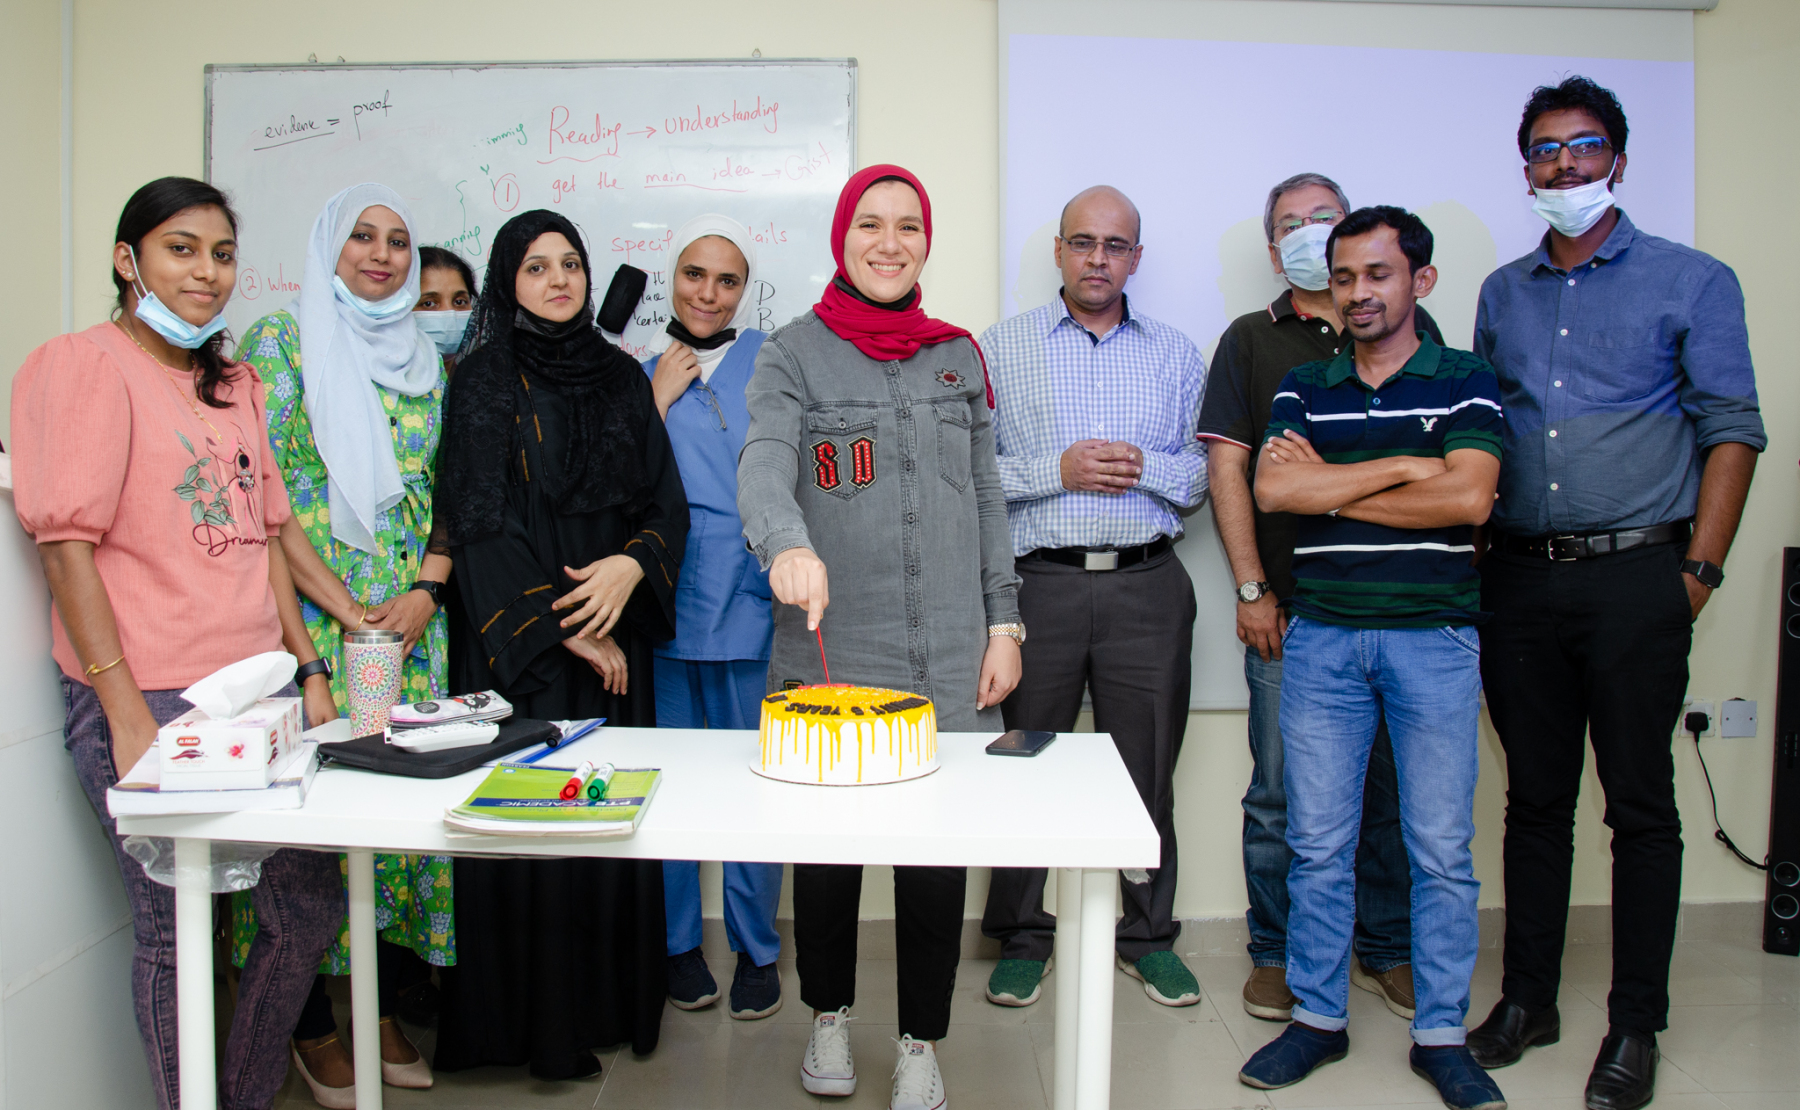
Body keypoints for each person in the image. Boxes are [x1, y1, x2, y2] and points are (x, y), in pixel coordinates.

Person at [10, 176, 343, 1110]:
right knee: (178, 932)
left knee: (306, 908)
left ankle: (238, 1095)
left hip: (261, 698)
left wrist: (310, 667)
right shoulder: (81, 366)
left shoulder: (234, 385)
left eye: (222, 254)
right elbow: (65, 549)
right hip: (153, 699)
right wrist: (123, 712)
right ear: (129, 260)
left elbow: (266, 539)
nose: (206, 272)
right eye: (181, 249)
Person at [1467, 77, 1763, 1110]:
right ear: (1527, 170)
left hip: (1641, 577)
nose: (1564, 165)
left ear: (1619, 161)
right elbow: (1486, 431)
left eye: (1584, 146)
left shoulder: (1694, 280)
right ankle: (1528, 1002)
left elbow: (1733, 429)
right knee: (1535, 802)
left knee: (1640, 806)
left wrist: (1698, 573)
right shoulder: (1502, 293)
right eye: (1545, 150)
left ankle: (1635, 1023)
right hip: (1519, 578)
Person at [737, 164, 1022, 1110]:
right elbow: (765, 462)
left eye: (908, 226)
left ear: (926, 241)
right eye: (870, 224)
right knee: (827, 857)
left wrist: (1004, 622)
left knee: (935, 862)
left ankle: (920, 1041)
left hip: (949, 652)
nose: (889, 243)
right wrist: (785, 543)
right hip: (832, 650)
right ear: (841, 236)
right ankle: (828, 1015)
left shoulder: (957, 356)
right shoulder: (791, 354)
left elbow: (986, 495)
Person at [1236, 207, 1508, 1110]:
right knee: (1318, 845)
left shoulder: (1464, 377)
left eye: (1378, 275)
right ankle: (1318, 1019)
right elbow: (1274, 488)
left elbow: (1469, 502)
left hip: (1435, 640)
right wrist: (1407, 468)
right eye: (1345, 276)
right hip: (1322, 641)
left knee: (1439, 850)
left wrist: (1333, 489)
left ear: (1420, 281)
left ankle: (1441, 1036)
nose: (1358, 292)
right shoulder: (1306, 384)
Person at [432, 208, 686, 1079]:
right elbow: (476, 523)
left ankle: (611, 1006)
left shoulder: (618, 376)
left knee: (607, 820)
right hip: (526, 654)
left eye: (570, 263)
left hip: (616, 635)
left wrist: (632, 565)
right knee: (535, 827)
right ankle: (535, 1029)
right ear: (509, 281)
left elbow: (664, 503)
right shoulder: (483, 379)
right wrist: (561, 629)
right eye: (536, 266)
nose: (558, 280)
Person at [1200, 172, 1446, 1024]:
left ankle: (1386, 947)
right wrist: (1252, 587)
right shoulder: (1250, 340)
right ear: (1275, 250)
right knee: (1280, 796)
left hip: (1400, 606)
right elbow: (1237, 472)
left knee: (1389, 795)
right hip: (1292, 611)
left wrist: (1322, 484)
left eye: (1322, 220)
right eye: (1289, 225)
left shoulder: (1414, 333)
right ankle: (1276, 953)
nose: (1307, 234)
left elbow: (1448, 474)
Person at [233, 183, 451, 1104]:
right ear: (329, 245)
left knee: (395, 832)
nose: (382, 254)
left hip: (408, 629)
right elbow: (268, 508)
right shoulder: (279, 345)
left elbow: (446, 491)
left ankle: (377, 1006)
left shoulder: (427, 359)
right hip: (315, 624)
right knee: (308, 838)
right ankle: (310, 1025)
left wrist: (421, 595)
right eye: (362, 236)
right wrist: (331, 632)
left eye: (399, 241)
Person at [976, 185, 1208, 1011]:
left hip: (1147, 586)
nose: (1097, 259)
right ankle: (1022, 935)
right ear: (1059, 251)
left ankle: (1146, 936)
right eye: (1083, 242)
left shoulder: (1177, 354)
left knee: (1146, 769)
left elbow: (1202, 476)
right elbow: (970, 475)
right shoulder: (999, 349)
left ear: (1135, 258)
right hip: (1037, 586)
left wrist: (1145, 466)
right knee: (1024, 764)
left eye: (1115, 246)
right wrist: (1059, 470)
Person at [641, 214, 784, 1020]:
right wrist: (653, 404)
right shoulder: (642, 372)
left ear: (744, 290)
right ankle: (677, 945)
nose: (708, 292)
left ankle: (757, 951)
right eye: (694, 274)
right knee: (665, 786)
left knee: (753, 786)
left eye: (727, 280)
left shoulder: (774, 361)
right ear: (673, 280)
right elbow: (614, 484)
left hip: (748, 603)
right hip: (664, 605)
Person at [414, 245, 477, 374]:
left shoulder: (494, 376)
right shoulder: (381, 382)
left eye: (459, 302)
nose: (450, 313)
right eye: (429, 303)